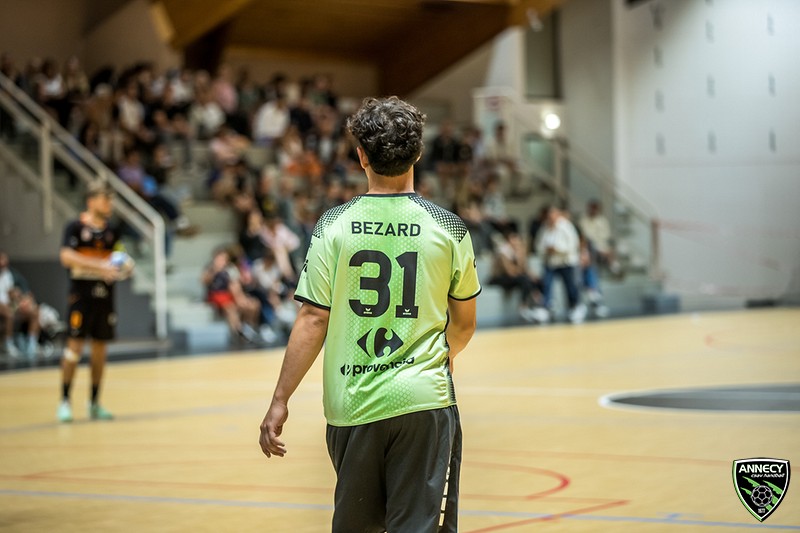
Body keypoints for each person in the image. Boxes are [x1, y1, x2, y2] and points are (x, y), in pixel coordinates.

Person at [259, 96, 481, 533]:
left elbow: (313, 319)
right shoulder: (449, 227)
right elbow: (465, 323)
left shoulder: (333, 224)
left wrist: (280, 399)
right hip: (423, 400)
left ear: (361, 156)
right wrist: (443, 356)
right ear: (418, 153)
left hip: (352, 404)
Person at [57, 182, 130, 422]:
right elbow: (66, 256)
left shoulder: (112, 231)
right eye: (104, 199)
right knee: (74, 348)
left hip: (105, 298)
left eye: (111, 199)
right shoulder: (76, 228)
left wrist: (125, 267)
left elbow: (118, 257)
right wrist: (100, 266)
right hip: (81, 297)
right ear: (91, 201)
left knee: (100, 351)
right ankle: (65, 401)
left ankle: (94, 403)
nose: (109, 204)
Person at [535, 205, 586, 324]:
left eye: (553, 215)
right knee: (546, 284)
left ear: (558, 215)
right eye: (549, 216)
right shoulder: (544, 228)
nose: (550, 218)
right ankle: (546, 308)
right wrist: (546, 250)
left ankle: (575, 307)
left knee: (571, 286)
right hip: (551, 262)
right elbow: (538, 245)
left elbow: (573, 244)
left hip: (566, 262)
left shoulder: (566, 226)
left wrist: (557, 249)